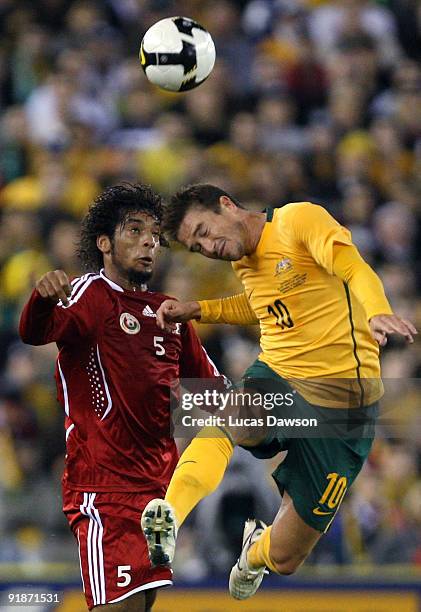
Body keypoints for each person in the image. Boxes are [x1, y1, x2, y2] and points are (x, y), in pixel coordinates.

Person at [140, 183, 417, 600]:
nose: (207, 247)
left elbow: (353, 267)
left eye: (202, 231)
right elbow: (261, 305)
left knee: (287, 557)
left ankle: (254, 553)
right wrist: (200, 310)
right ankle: (168, 516)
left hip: (344, 409)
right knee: (235, 417)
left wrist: (378, 311)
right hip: (281, 374)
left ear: (226, 205)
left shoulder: (298, 220)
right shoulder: (245, 263)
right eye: (196, 247)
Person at [19, 184, 225, 612]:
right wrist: (41, 298)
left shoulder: (168, 311)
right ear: (105, 243)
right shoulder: (91, 295)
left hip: (158, 497)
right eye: (135, 231)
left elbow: (212, 391)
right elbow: (36, 332)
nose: (148, 242)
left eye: (154, 235)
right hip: (104, 489)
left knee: (137, 609)